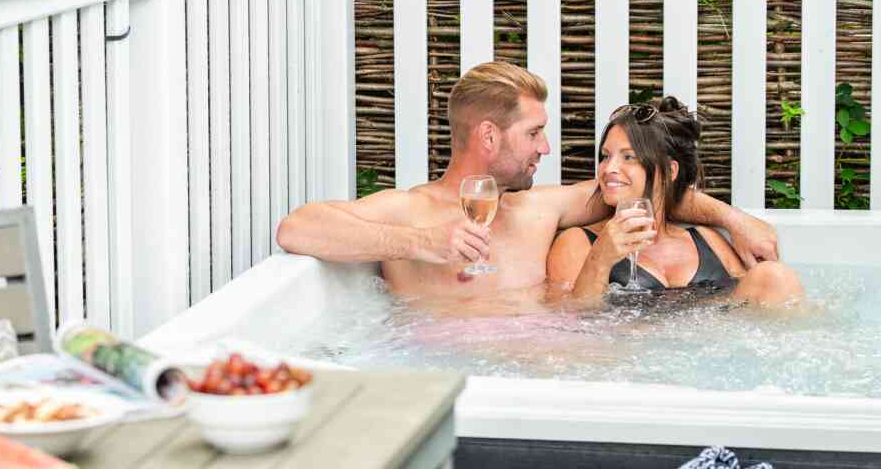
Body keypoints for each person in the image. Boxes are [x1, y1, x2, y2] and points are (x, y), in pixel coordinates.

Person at [276, 62, 778, 301]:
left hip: (560, 367)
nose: (546, 148)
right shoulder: (413, 211)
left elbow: (641, 189)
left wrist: (735, 219)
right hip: (463, 381)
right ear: (488, 136)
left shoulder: (541, 208)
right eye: (534, 133)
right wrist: (420, 243)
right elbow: (298, 228)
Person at [547, 97, 803, 306]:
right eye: (605, 157)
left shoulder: (706, 241)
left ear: (670, 171)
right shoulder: (577, 243)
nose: (608, 168)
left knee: (773, 276)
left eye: (628, 157)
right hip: (627, 356)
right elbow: (572, 324)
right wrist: (600, 258)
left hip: (707, 354)